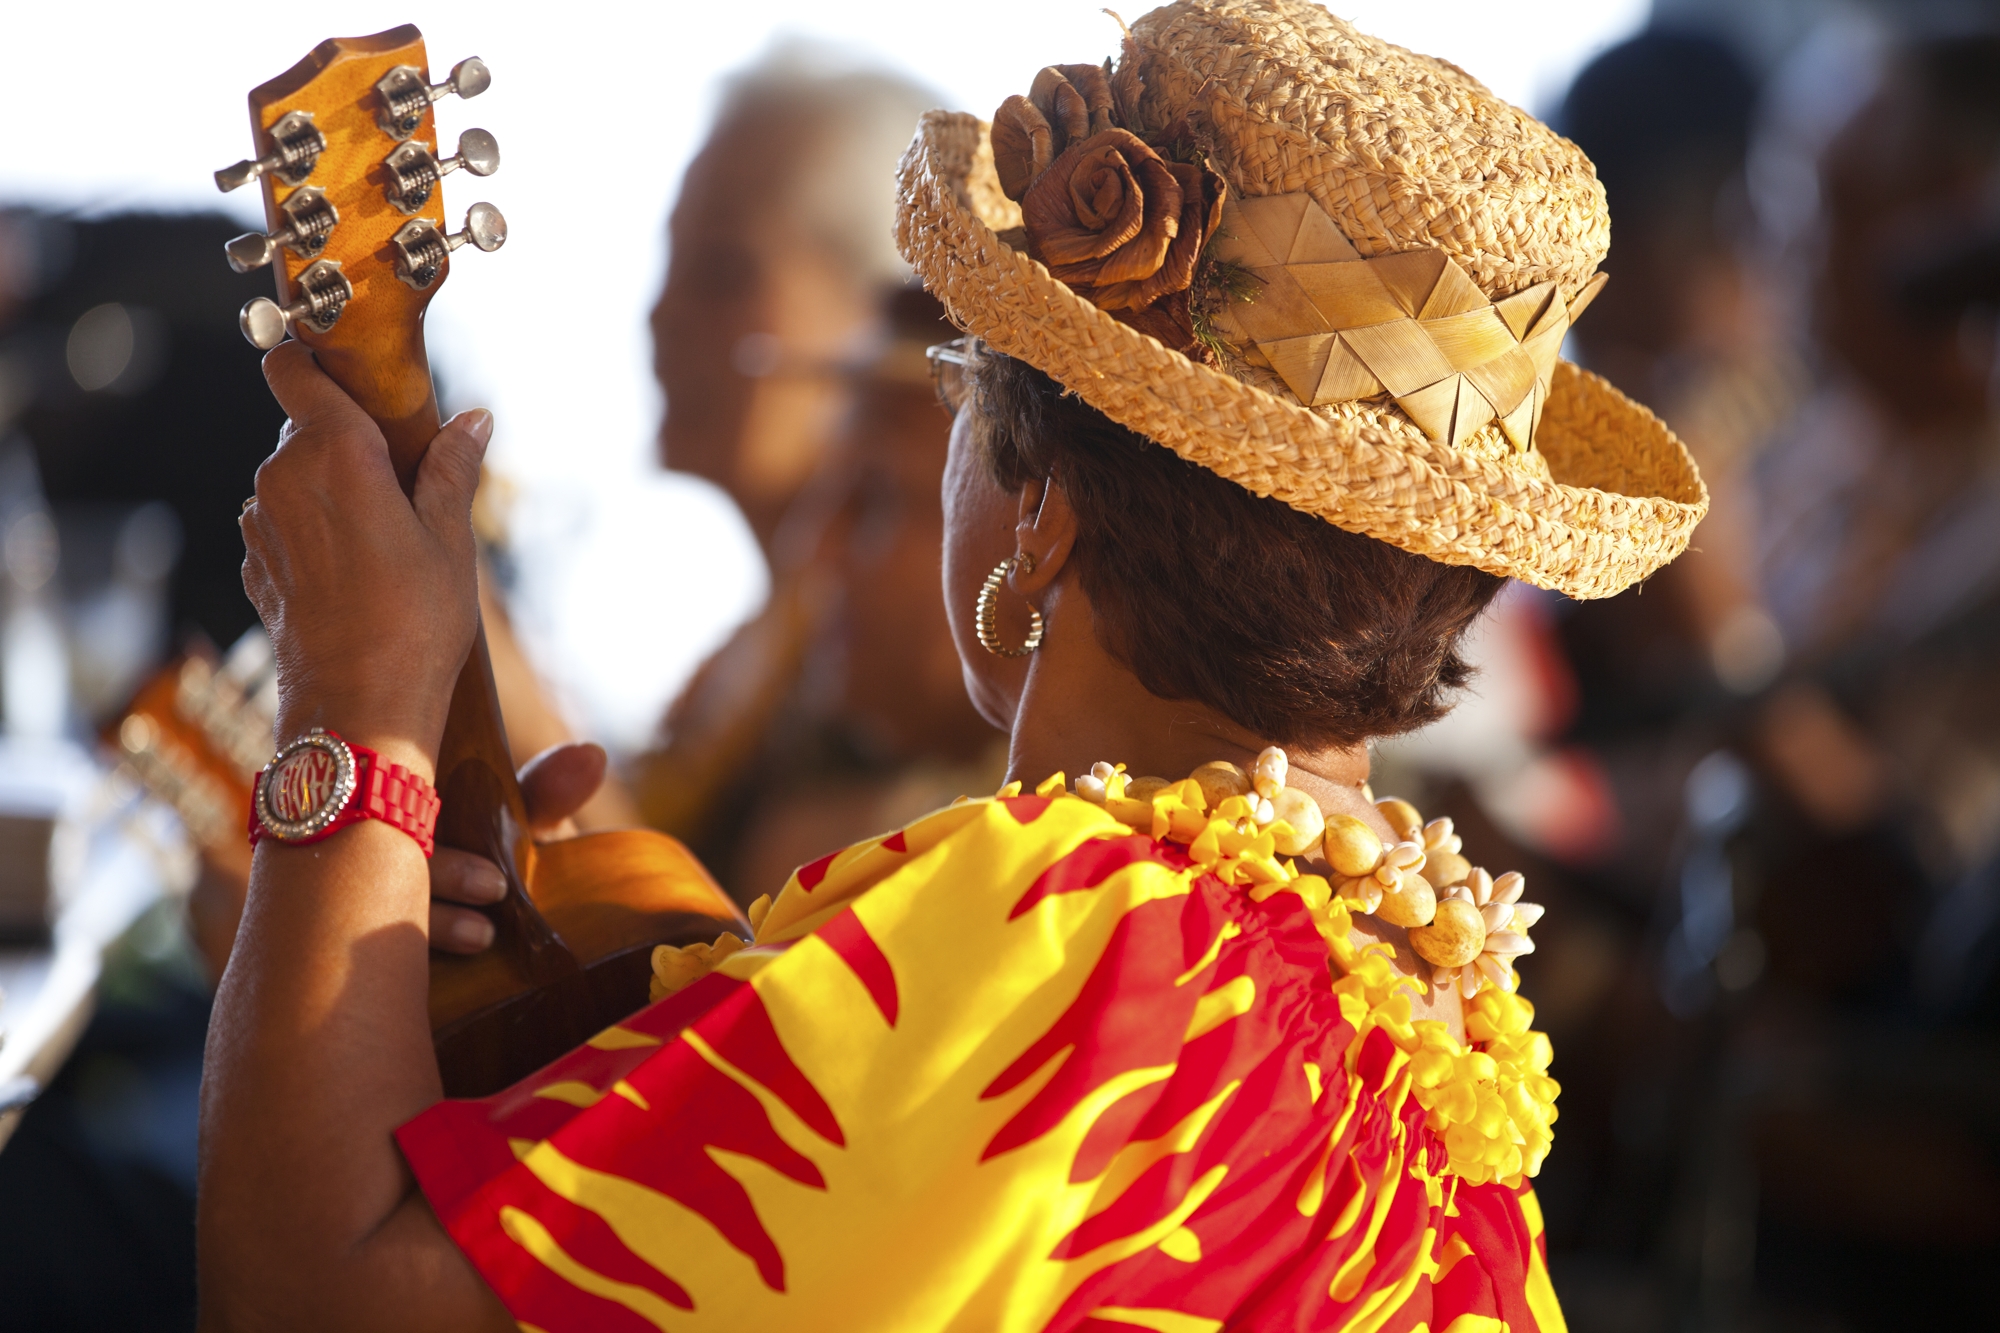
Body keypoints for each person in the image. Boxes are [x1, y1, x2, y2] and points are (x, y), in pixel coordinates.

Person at [199, 2, 1705, 1328]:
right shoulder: (1432, 1006)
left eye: (961, 390)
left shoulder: (1070, 937)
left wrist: (346, 716)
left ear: (1038, 515)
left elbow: (308, 1301)